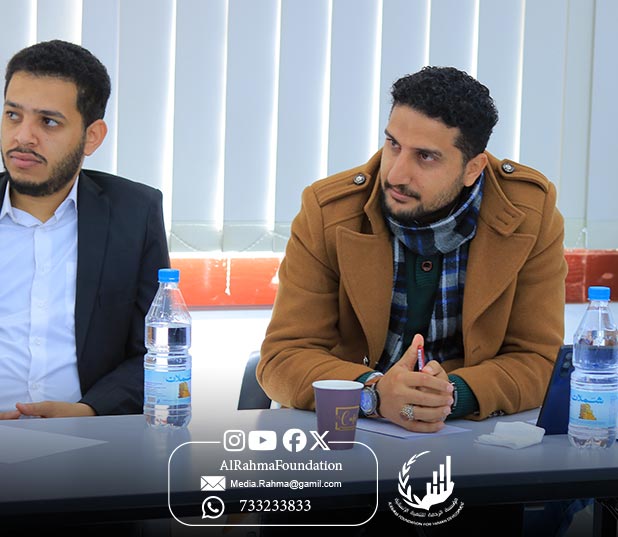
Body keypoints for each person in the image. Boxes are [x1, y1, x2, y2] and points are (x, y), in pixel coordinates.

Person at [258, 66, 567, 433]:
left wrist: (452, 395)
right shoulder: (328, 212)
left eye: (425, 157)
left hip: (467, 435)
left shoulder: (530, 213)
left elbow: (539, 358)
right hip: (349, 432)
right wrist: (372, 393)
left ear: (473, 169)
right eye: (393, 144)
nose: (395, 174)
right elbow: (283, 357)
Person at [0, 40, 169, 418]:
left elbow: (156, 352)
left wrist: (90, 411)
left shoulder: (133, 213)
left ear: (92, 136)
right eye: (13, 115)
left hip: (89, 436)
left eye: (48, 121)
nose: (23, 137)